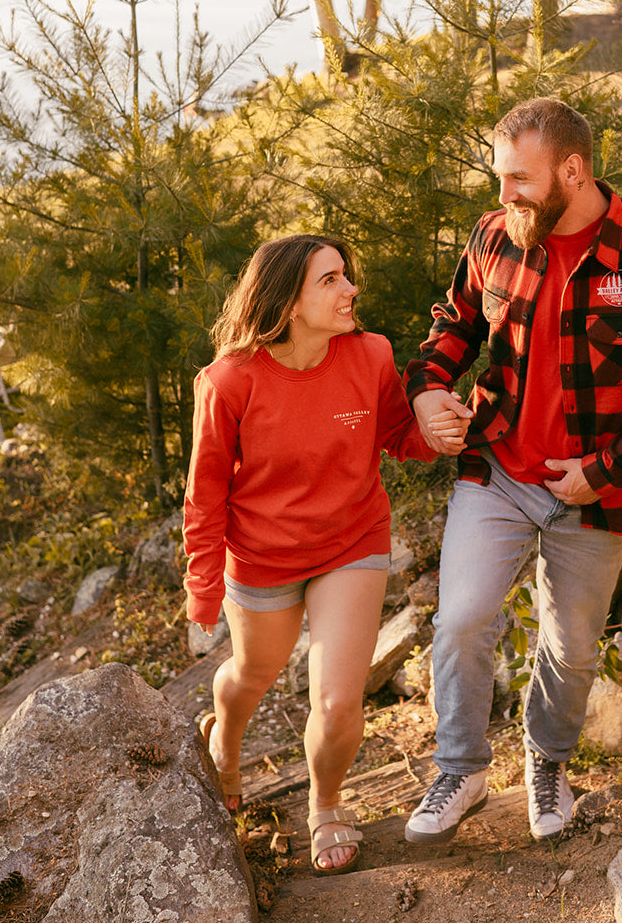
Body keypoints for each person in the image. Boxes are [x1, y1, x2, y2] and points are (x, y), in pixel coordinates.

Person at [402, 97, 622, 846]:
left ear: (571, 171)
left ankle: (546, 761)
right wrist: (425, 390)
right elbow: (455, 324)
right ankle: (461, 769)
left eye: (517, 178)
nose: (502, 195)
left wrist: (604, 471)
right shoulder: (494, 236)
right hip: (498, 465)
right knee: (462, 616)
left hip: (596, 490)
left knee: (572, 646)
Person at [183, 233, 463, 875]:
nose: (350, 290)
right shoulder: (229, 382)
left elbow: (395, 434)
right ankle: (224, 746)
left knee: (338, 702)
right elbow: (205, 494)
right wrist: (203, 587)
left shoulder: (369, 355)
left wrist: (437, 435)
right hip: (262, 558)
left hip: (351, 541)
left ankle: (326, 803)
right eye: (330, 281)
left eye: (346, 276)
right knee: (253, 674)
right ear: (286, 302)